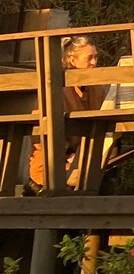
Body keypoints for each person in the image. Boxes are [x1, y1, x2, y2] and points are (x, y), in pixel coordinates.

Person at [27, 34, 108, 190]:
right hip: (53, 165)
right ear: (73, 61)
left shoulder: (98, 89)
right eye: (89, 58)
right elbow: (42, 140)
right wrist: (70, 158)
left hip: (84, 160)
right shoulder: (57, 92)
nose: (94, 63)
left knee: (105, 183)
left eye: (96, 57)